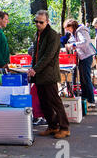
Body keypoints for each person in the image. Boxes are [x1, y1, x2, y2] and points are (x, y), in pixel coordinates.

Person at [28, 10, 70, 139]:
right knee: (44, 102)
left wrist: (35, 69)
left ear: (47, 22)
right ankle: (52, 126)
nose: (38, 24)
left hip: (49, 74)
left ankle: (64, 128)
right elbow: (36, 54)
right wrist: (32, 68)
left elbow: (48, 56)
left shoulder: (52, 35)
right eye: (36, 21)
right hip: (39, 74)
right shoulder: (38, 34)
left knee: (55, 102)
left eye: (41, 22)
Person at [64, 19, 97, 115]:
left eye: (68, 28)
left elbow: (85, 42)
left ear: (72, 26)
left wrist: (73, 45)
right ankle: (86, 98)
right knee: (83, 79)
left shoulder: (80, 31)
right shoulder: (75, 32)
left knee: (86, 79)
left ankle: (91, 100)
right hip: (83, 57)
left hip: (86, 56)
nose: (68, 31)